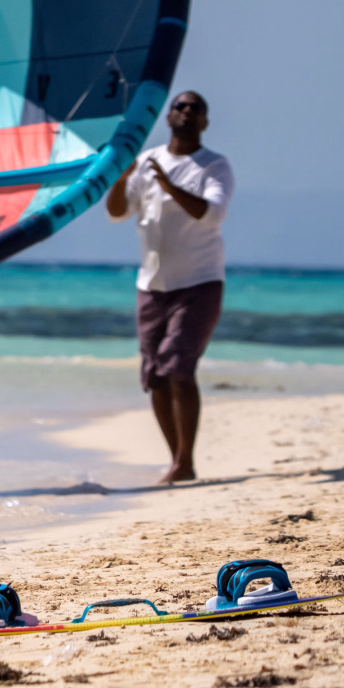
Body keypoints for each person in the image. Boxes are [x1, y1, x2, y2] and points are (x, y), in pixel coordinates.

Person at [105, 90, 232, 485]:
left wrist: (168, 184)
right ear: (168, 116)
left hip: (199, 282)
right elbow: (117, 213)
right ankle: (176, 461)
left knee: (178, 364)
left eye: (195, 108)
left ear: (205, 121)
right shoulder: (147, 161)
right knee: (155, 375)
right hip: (151, 285)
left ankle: (184, 461)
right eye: (180, 106)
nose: (187, 111)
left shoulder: (214, 165)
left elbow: (211, 214)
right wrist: (121, 177)